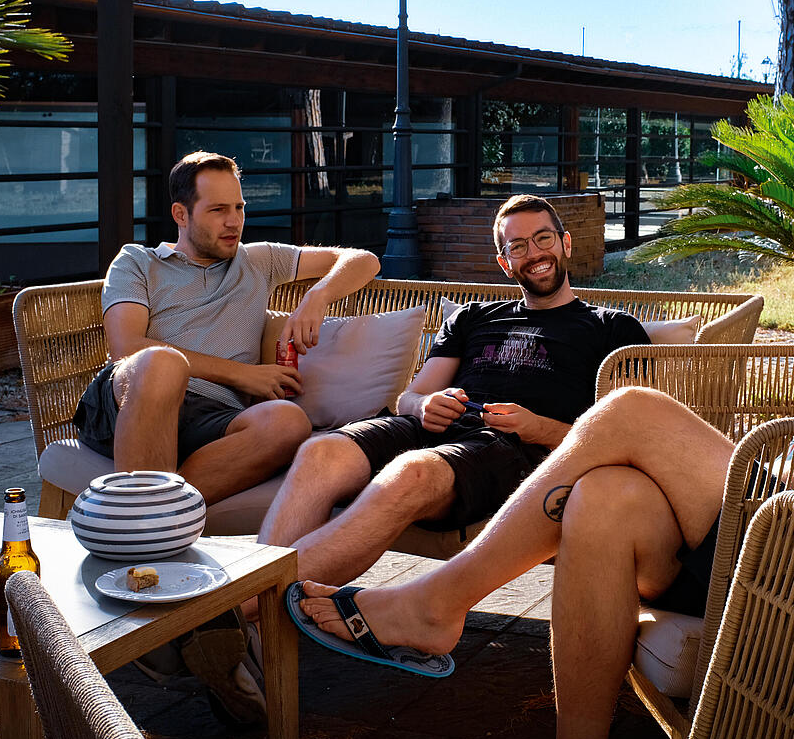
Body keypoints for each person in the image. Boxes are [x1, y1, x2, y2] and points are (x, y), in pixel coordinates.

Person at [293, 173, 794, 739]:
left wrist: (742, 470)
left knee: (630, 412)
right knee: (604, 495)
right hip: (771, 519)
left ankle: (437, 601)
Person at [254, 193, 651, 593]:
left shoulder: (613, 328)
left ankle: (244, 606)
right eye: (517, 246)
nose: (534, 253)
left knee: (413, 472)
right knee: (319, 452)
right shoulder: (473, 317)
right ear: (504, 262)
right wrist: (425, 404)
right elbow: (408, 399)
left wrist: (537, 428)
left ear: (565, 243)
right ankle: (262, 616)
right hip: (432, 433)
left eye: (543, 239)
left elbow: (622, 439)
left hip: (510, 451)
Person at [72, 150, 380, 506]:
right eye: (218, 210)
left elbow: (363, 259)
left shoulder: (260, 260)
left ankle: (157, 513)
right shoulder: (138, 262)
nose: (234, 222)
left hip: (214, 420)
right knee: (161, 363)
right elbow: (126, 347)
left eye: (239, 208)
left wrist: (318, 295)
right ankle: (147, 517)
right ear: (181, 215)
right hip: (134, 399)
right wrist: (242, 375)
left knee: (288, 421)